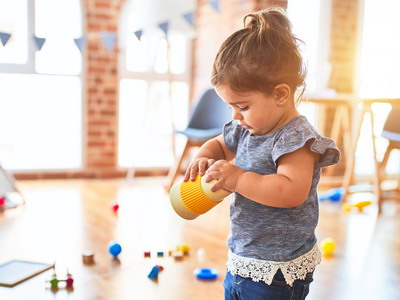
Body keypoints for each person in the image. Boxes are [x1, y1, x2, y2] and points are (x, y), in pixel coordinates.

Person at [183, 8, 340, 300]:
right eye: (230, 106)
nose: (235, 116)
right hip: (244, 256)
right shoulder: (246, 128)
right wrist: (204, 156)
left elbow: (291, 190)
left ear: (281, 94)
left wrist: (239, 179)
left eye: (242, 106)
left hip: (278, 271)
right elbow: (219, 145)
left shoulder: (296, 138)